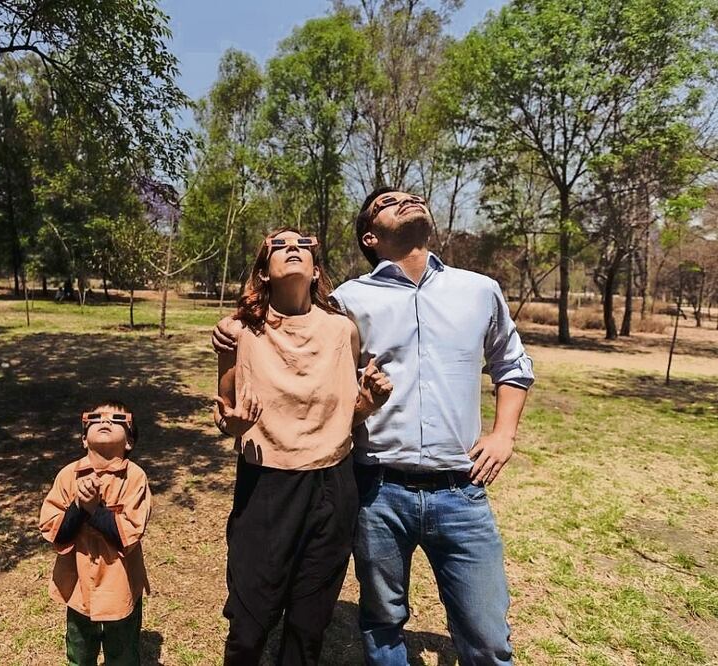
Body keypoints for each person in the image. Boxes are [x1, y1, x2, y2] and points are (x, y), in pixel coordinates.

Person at [212, 189, 534, 666]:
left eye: (413, 196)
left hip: (460, 490)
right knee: (381, 623)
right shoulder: (349, 301)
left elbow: (512, 364)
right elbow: (304, 372)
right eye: (389, 201)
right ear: (370, 235)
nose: (408, 199)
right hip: (377, 490)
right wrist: (231, 336)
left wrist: (504, 433)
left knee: (488, 638)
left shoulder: (479, 289)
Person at [214, 228, 393, 665]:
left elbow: (341, 411)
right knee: (250, 621)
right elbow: (224, 410)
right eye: (279, 244)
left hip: (332, 486)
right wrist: (231, 423)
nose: (293, 247)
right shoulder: (238, 332)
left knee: (309, 622)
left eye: (303, 244)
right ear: (263, 272)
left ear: (315, 270)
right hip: (265, 484)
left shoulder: (341, 330)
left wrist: (368, 404)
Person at [38, 400, 151, 666]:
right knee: (79, 650)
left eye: (118, 419)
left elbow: (129, 534)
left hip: (120, 585)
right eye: (96, 417)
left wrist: (94, 509)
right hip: (79, 586)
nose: (106, 421)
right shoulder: (68, 476)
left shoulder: (135, 478)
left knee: (123, 653)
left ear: (129, 442)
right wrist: (78, 507)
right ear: (84, 440)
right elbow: (55, 532)